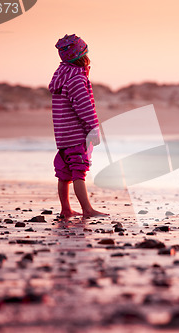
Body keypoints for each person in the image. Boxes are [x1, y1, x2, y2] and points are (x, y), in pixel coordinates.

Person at [49, 34, 108, 220]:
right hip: (75, 135)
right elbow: (84, 107)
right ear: (83, 56)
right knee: (78, 172)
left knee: (64, 174)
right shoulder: (76, 80)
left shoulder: (62, 76)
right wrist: (93, 129)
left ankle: (66, 209)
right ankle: (87, 209)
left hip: (63, 136)